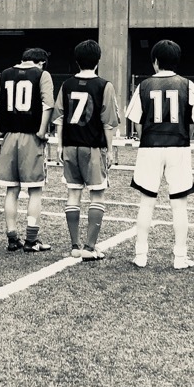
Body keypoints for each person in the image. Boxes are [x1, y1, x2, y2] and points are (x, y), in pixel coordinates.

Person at [126, 40, 194, 269]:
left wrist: (148, 137)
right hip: (178, 146)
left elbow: (137, 123)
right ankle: (180, 257)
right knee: (179, 205)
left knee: (146, 203)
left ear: (155, 61)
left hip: (150, 146)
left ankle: (141, 255)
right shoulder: (188, 85)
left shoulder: (144, 85)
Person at [52, 39, 120, 260]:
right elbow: (108, 121)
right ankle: (90, 248)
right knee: (97, 195)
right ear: (98, 60)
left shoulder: (66, 85)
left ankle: (74, 245)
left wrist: (60, 145)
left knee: (73, 194)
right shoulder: (104, 85)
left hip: (70, 146)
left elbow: (59, 118)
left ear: (77, 61)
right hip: (93, 148)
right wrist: (110, 150)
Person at [0, 48, 56, 253]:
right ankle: (31, 239)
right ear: (40, 63)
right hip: (31, 137)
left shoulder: (4, 74)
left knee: (11, 190)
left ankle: (12, 237)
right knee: (35, 190)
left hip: (9, 137)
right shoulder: (42, 74)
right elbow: (48, 104)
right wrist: (41, 131)